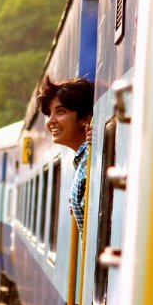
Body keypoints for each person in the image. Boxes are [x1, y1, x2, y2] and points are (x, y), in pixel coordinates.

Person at [35, 75, 95, 236]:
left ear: (86, 118)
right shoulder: (83, 160)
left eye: (60, 111)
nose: (50, 121)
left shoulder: (93, 159)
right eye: (49, 114)